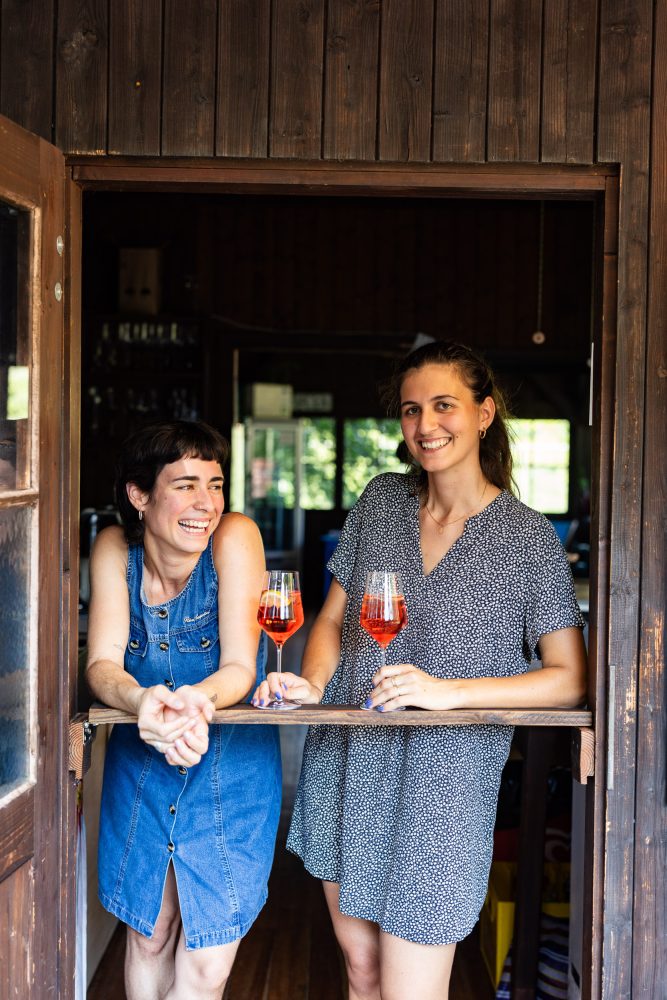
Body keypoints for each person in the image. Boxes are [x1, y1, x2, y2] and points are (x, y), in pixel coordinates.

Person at [252, 340, 587, 1000]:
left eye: (443, 405)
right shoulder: (380, 502)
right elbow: (330, 620)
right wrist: (312, 685)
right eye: (411, 410)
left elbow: (568, 677)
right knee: (361, 973)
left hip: (445, 788)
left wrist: (444, 693)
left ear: (484, 414)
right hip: (350, 760)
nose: (425, 424)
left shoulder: (527, 538)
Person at [86, 420, 281, 1000]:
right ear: (139, 495)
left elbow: (240, 666)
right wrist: (140, 699)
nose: (207, 504)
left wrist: (195, 703)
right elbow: (101, 665)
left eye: (215, 485)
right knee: (149, 935)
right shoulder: (114, 549)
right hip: (141, 769)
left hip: (230, 774)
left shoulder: (235, 537)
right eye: (186, 485)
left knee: (206, 962)